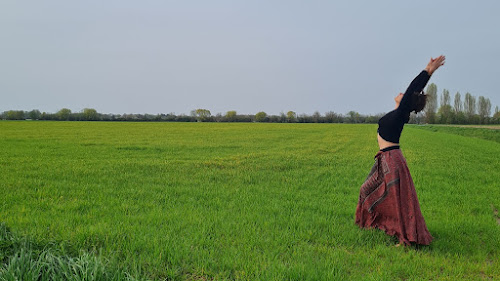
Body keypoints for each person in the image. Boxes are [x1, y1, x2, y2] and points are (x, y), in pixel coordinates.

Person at [355, 55, 446, 246]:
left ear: (407, 103)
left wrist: (428, 70)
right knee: (366, 189)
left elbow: (413, 88)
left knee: (398, 201)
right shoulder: (396, 114)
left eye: (404, 95)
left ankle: (406, 238)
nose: (400, 92)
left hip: (392, 160)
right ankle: (375, 224)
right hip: (385, 159)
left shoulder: (401, 114)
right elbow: (410, 93)